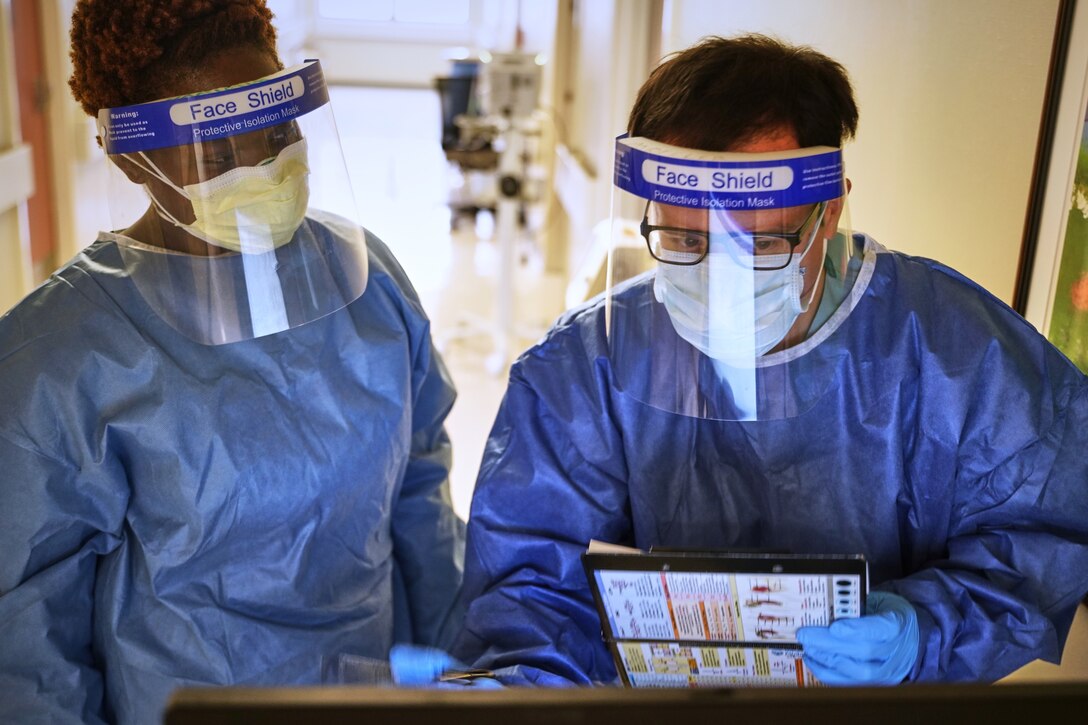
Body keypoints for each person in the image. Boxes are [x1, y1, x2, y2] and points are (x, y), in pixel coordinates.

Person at [442, 34, 1088, 686]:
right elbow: (531, 598)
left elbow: (1044, 533)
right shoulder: (582, 371)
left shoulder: (951, 351)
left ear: (828, 211)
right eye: (686, 239)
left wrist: (925, 631)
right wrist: (509, 689)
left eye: (759, 245)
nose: (720, 280)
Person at [0, 1, 464, 722]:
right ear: (131, 156)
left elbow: (422, 493)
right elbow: (28, 645)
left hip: (374, 698)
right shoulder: (60, 360)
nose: (262, 169)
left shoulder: (369, 284)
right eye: (217, 153)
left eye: (278, 134)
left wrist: (462, 676)